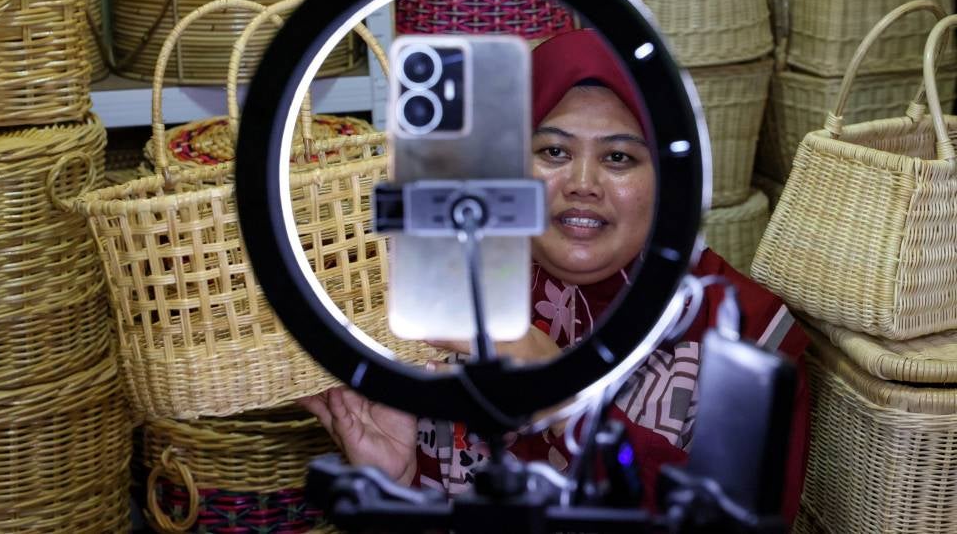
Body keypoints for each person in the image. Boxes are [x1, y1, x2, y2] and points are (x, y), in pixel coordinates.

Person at [301, 29, 810, 523]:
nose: (582, 184)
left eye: (618, 157)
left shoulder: (747, 334)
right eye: (553, 152)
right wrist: (397, 484)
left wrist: (571, 406)